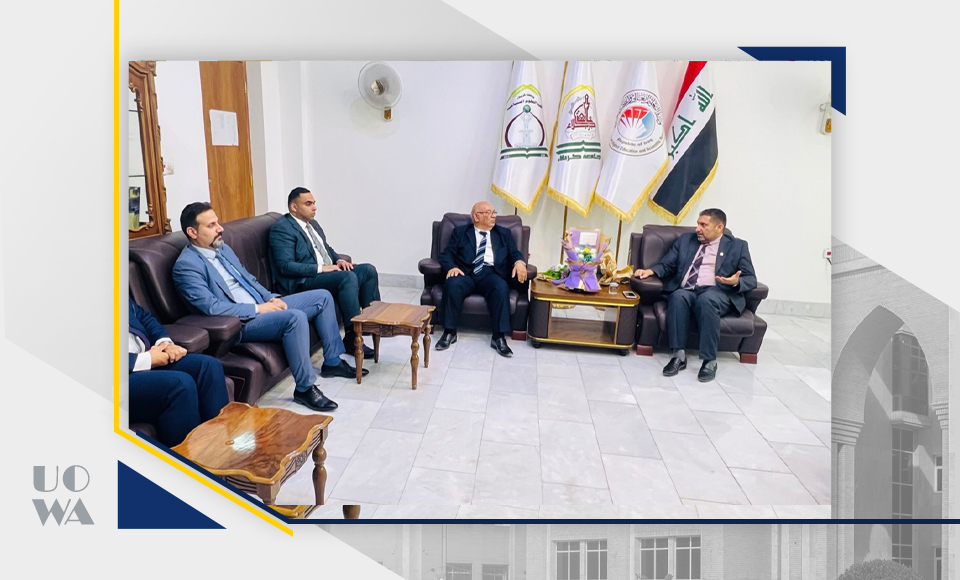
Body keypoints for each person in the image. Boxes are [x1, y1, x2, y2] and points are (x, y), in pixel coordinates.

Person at [173, 202, 365, 413]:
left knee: (322, 297)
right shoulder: (187, 266)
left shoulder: (223, 248)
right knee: (295, 318)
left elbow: (249, 279)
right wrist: (258, 309)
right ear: (192, 232)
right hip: (241, 321)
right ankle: (305, 388)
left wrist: (271, 298)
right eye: (211, 225)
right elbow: (212, 308)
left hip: (261, 304)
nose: (220, 228)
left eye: (217, 222)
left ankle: (333, 361)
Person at [633, 208, 756, 382]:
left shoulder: (737, 246)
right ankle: (678, 355)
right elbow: (667, 264)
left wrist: (735, 282)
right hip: (688, 290)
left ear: (719, 227)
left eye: (703, 225)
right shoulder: (686, 240)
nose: (697, 228)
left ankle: (709, 360)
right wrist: (650, 271)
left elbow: (750, 278)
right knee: (678, 296)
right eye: (698, 224)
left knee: (707, 300)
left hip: (717, 292)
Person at [268, 187, 380, 358]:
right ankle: (352, 339)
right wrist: (321, 268)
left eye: (314, 203)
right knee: (347, 277)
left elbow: (326, 248)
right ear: (294, 207)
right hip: (303, 281)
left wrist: (339, 260)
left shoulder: (312, 224)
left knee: (367, 270)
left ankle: (371, 324)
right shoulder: (282, 229)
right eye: (308, 204)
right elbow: (285, 266)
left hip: (324, 274)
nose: (314, 207)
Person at [128, 299, 229, 447]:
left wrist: (164, 343)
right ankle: (189, 458)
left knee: (208, 366)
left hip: (145, 355)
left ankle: (220, 446)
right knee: (180, 385)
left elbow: (143, 316)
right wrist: (146, 359)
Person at [435, 201, 528, 357]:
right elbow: (447, 254)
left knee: (500, 287)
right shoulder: (461, 232)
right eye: (488, 213)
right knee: (452, 284)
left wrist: (519, 262)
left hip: (491, 273)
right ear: (476, 216)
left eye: (494, 212)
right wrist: (451, 267)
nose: (493, 216)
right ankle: (449, 332)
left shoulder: (504, 233)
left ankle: (498, 337)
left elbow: (514, 252)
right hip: (466, 272)